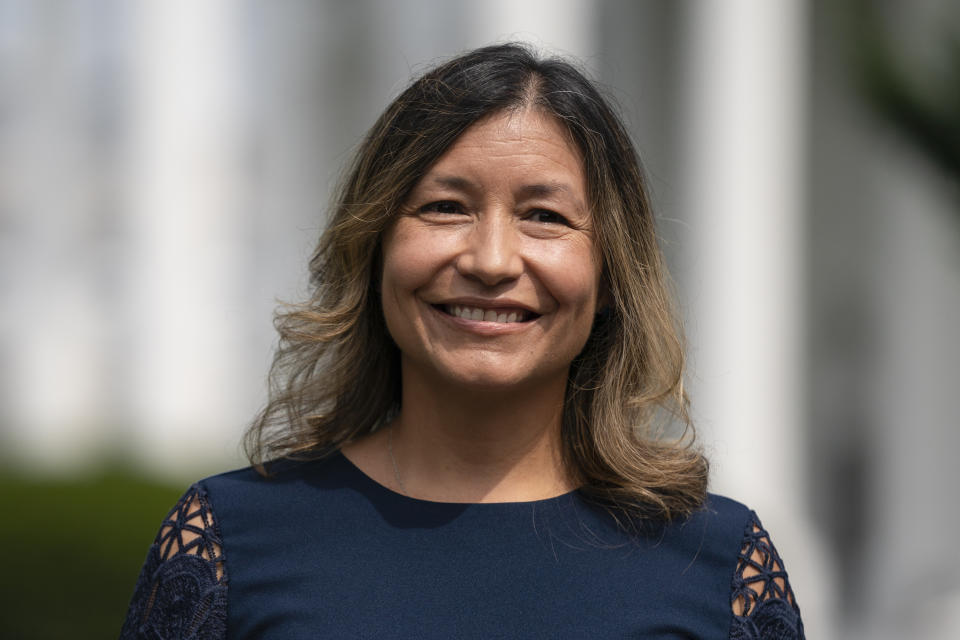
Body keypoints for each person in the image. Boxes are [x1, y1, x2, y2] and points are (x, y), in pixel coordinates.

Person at [120, 43, 804, 639]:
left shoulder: (719, 565)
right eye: (446, 207)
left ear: (610, 274)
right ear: (375, 246)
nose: (492, 260)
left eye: (544, 216)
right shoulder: (225, 542)